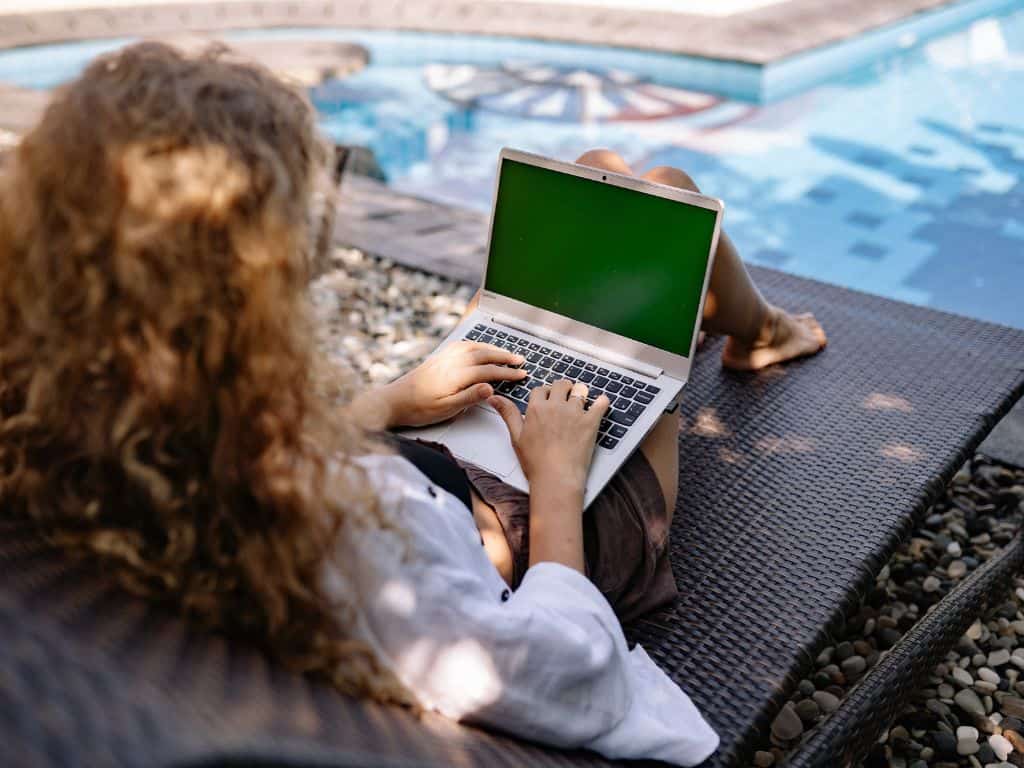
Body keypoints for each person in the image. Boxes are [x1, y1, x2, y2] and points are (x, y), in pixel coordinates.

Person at [0, 43, 825, 766]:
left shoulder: (70, 427)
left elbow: (247, 449)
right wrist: (560, 476)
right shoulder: (347, 537)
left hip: (435, 472)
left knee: (606, 175)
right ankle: (761, 334)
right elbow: (572, 668)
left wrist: (385, 402)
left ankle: (728, 322)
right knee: (670, 197)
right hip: (538, 527)